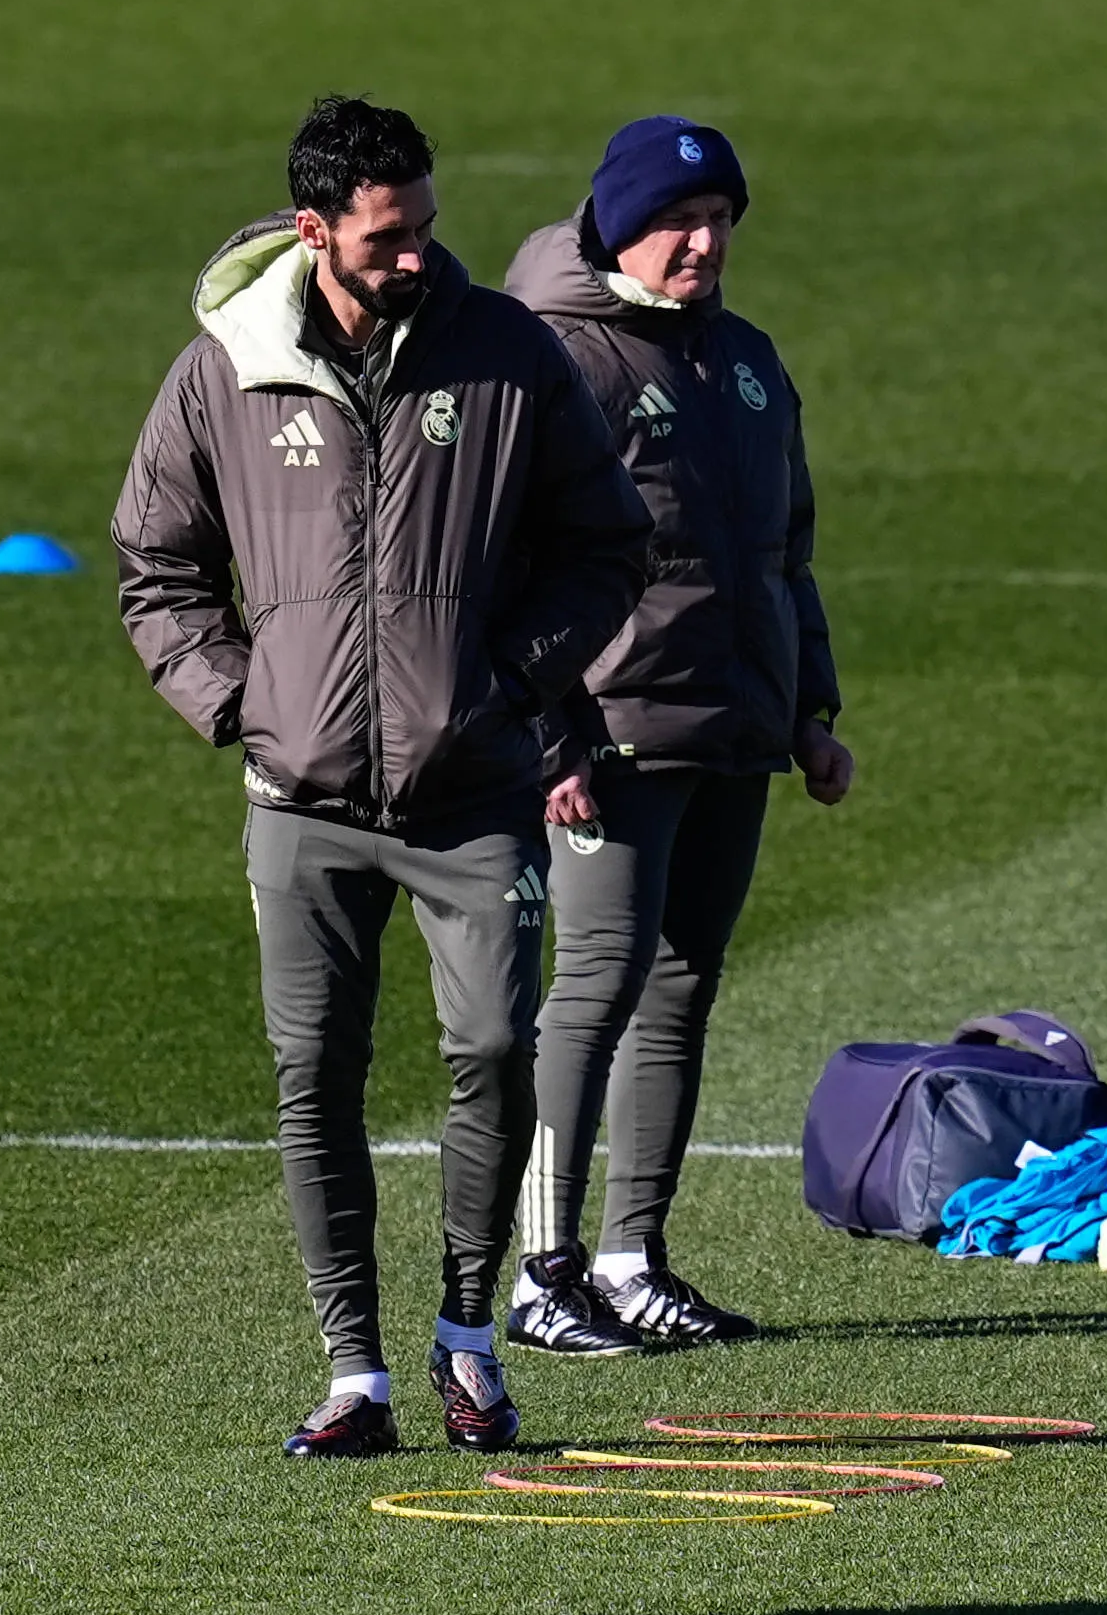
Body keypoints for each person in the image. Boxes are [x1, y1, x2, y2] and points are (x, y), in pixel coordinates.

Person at [115, 97, 650, 1457]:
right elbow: (156, 566)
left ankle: (469, 1337)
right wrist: (239, 703)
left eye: (425, 225)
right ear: (316, 231)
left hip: (469, 789)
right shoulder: (222, 370)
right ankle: (355, 1373)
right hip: (301, 803)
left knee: (489, 1049)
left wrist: (509, 678)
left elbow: (607, 544)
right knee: (316, 1074)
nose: (419, 252)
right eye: (389, 233)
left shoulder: (507, 355)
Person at [498, 119, 852, 1356]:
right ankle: (540, 1275)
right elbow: (506, 571)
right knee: (591, 990)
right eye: (677, 221)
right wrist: (553, 741)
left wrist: (811, 709)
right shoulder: (552, 361)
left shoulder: (744, 360)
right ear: (613, 221)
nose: (704, 243)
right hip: (611, 736)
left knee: (680, 991)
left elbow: (782, 554)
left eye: (720, 222)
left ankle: (632, 1258)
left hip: (735, 723)